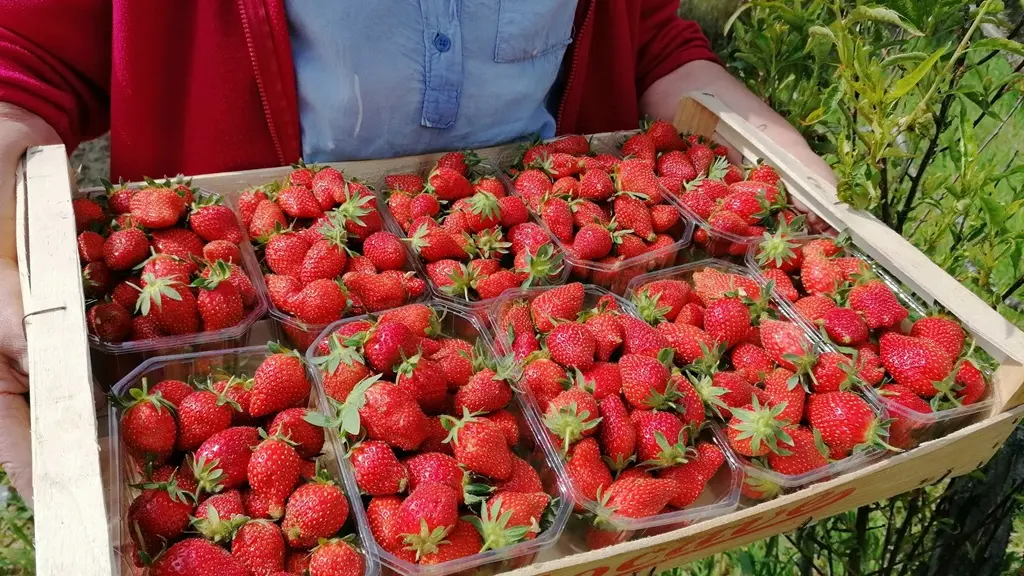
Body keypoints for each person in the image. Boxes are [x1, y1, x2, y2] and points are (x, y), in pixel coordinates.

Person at [0, 1, 834, 504]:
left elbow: (649, 39)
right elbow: (24, 67)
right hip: (231, 357)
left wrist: (772, 165)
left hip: (540, 304)